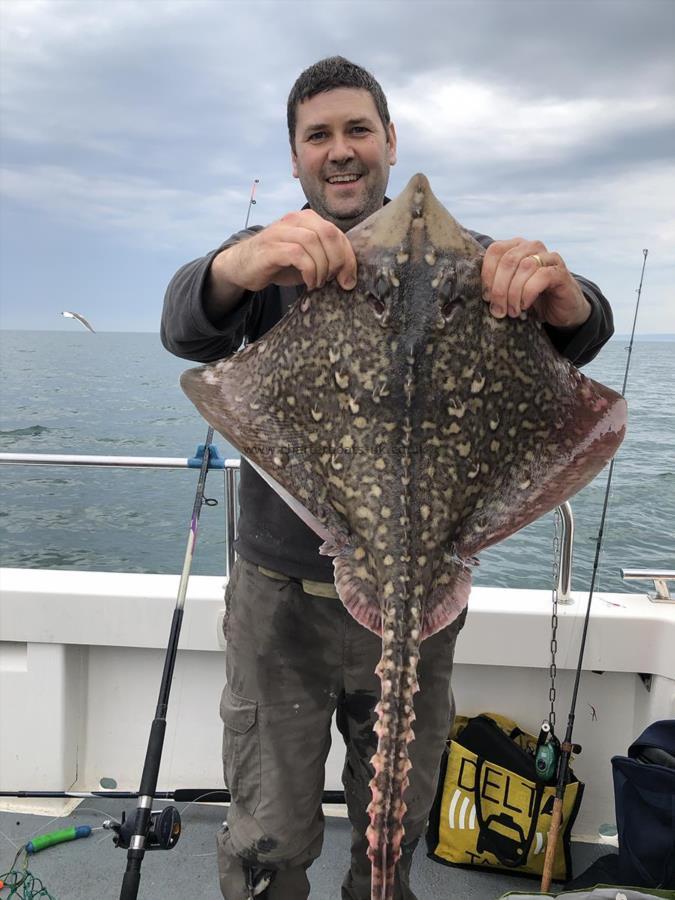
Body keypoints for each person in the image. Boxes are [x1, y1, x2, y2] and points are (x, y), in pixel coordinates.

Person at [161, 56, 614, 900]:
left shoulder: (470, 266)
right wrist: (236, 266)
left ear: (389, 142)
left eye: (357, 130)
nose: (340, 151)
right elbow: (185, 324)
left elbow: (581, 332)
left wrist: (564, 295)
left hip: (422, 595)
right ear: (294, 157)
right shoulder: (272, 260)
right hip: (280, 607)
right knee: (269, 829)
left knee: (398, 819)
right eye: (318, 135)